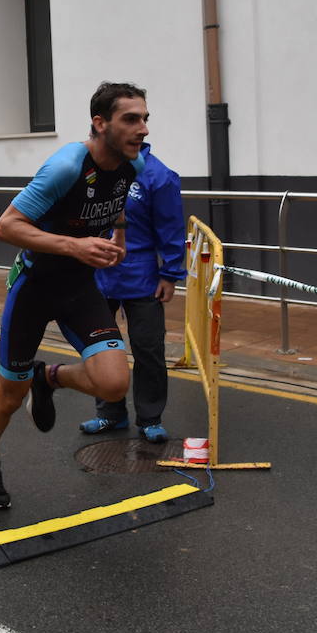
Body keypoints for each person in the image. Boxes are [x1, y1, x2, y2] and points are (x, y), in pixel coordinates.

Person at [0, 81, 149, 510]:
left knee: (114, 383)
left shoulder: (134, 165)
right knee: (8, 399)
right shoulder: (66, 166)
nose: (141, 128)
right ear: (99, 122)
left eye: (145, 118)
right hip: (34, 287)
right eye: (131, 119)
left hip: (78, 287)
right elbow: (6, 227)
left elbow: (117, 200)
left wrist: (119, 237)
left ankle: (48, 377)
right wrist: (76, 246)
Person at [85, 142, 186, 443]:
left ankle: (150, 418)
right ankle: (110, 414)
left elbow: (171, 227)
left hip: (142, 277)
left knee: (148, 348)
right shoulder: (94, 167)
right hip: (98, 274)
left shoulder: (159, 175)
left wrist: (170, 273)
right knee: (101, 350)